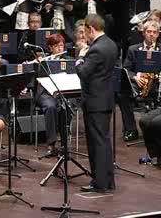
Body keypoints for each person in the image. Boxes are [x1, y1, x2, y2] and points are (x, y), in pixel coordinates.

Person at [76, 14, 117, 193]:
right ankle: (108, 180)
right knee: (104, 141)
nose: (85, 35)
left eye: (85, 31)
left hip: (94, 102)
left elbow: (83, 72)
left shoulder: (96, 49)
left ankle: (99, 182)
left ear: (91, 29)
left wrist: (80, 57)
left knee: (97, 143)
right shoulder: (111, 44)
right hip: (106, 99)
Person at [118, 20, 161, 142]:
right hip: (138, 83)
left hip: (157, 85)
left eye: (154, 32)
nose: (151, 34)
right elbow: (126, 69)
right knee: (122, 94)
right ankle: (131, 129)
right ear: (143, 33)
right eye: (148, 32)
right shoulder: (133, 49)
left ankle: (156, 130)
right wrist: (136, 77)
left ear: (158, 34)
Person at [34, 33, 71, 156]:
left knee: (66, 106)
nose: (60, 49)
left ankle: (64, 143)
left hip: (62, 93)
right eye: (56, 46)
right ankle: (51, 143)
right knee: (50, 107)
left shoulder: (67, 61)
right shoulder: (43, 61)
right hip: (46, 94)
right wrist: (37, 64)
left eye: (61, 46)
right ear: (50, 48)